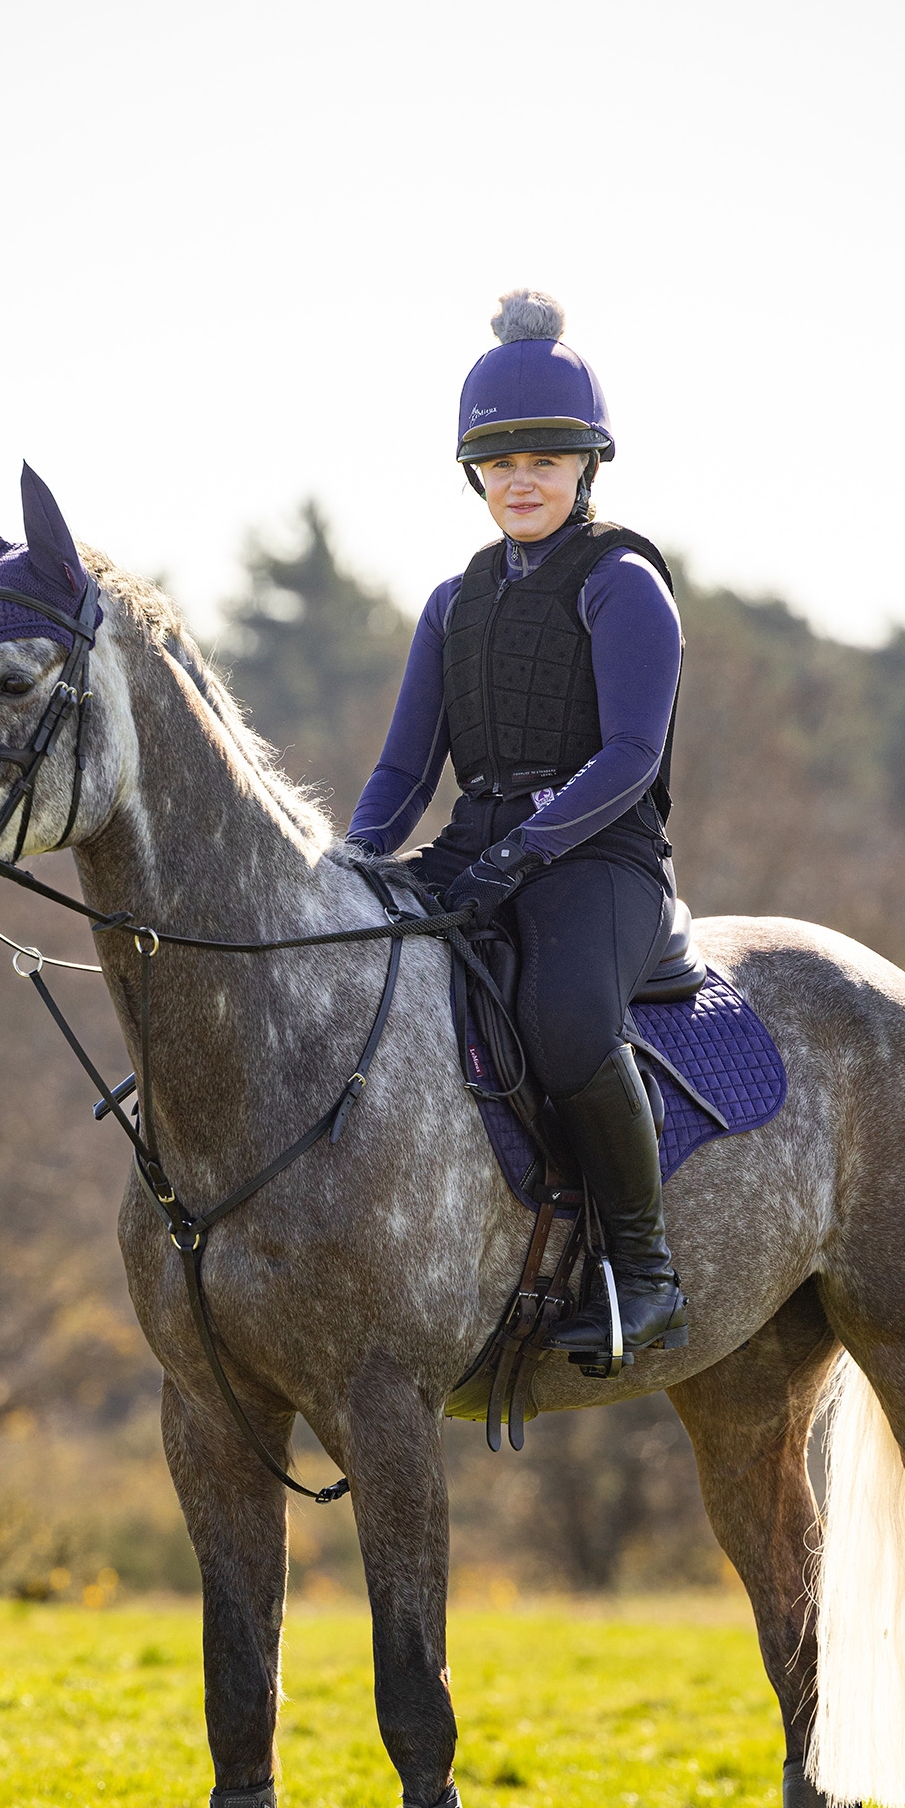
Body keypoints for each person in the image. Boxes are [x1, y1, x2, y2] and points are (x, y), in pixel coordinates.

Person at [347, 289, 689, 1358]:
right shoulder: (454, 602)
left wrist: (528, 847)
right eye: (499, 462)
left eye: (544, 458)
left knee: (564, 1019)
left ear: (587, 464)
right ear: (474, 475)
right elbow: (406, 768)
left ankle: (643, 1271)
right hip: (478, 849)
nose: (521, 479)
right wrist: (346, 867)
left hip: (601, 860)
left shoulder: (624, 582)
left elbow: (630, 757)